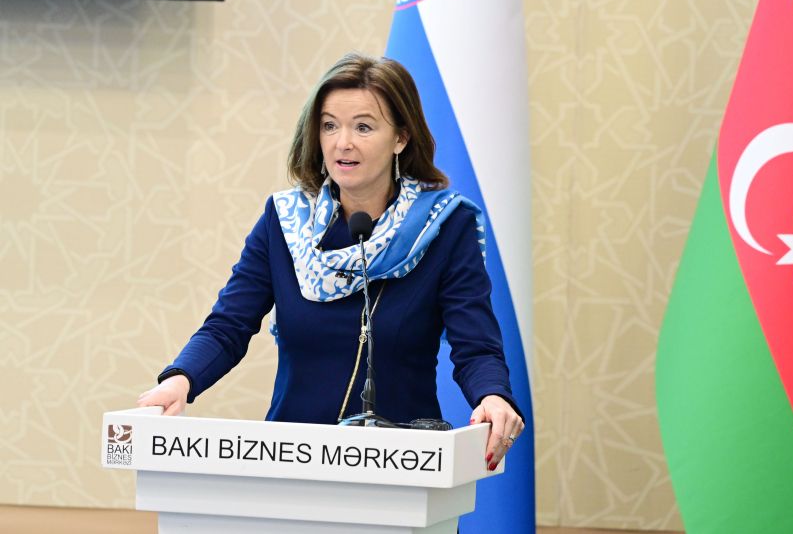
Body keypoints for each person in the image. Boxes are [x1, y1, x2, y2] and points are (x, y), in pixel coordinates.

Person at [137, 52, 524, 468]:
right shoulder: (285, 222)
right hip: (291, 462)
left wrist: (493, 396)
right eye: (329, 126)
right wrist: (180, 379)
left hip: (404, 467)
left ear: (401, 138)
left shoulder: (444, 226)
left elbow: (476, 346)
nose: (343, 143)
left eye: (363, 126)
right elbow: (228, 325)